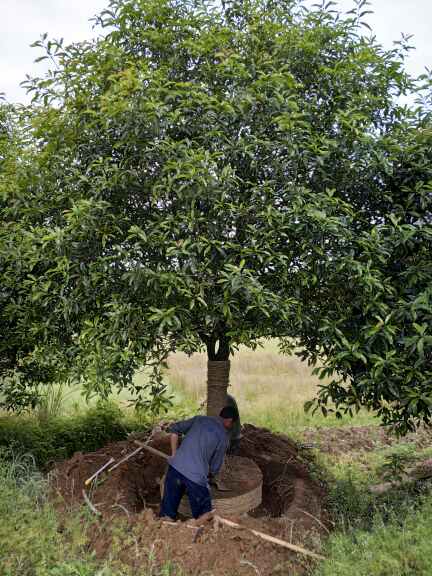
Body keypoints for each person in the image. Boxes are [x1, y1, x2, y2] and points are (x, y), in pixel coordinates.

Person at [159, 406, 238, 521]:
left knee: (167, 514)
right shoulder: (223, 437)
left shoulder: (200, 419)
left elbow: (174, 429)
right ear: (229, 421)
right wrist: (209, 478)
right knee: (204, 517)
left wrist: (174, 455)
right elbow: (215, 467)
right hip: (195, 478)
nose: (231, 427)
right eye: (232, 424)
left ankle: (165, 528)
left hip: (174, 469)